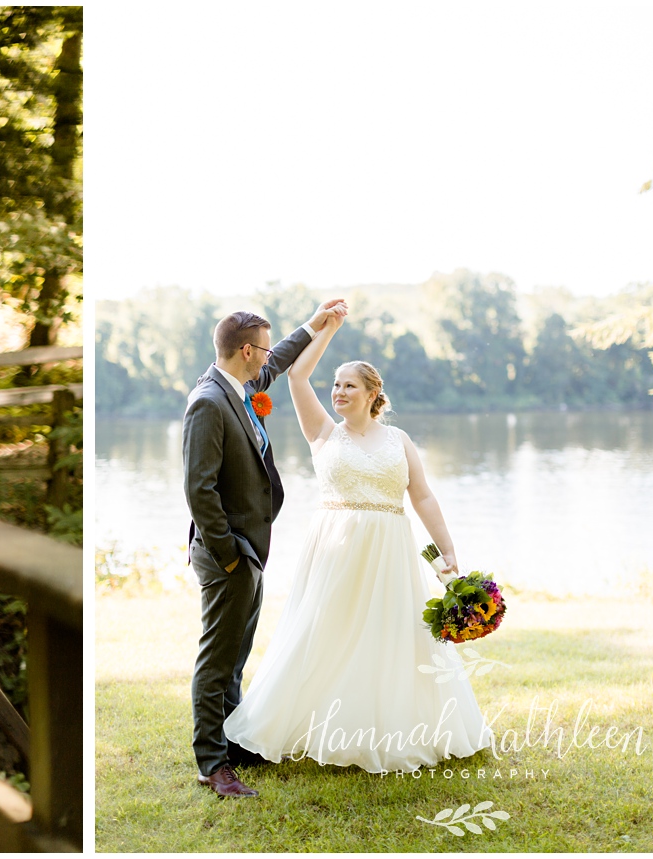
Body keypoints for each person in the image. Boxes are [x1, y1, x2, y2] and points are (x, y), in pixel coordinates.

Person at [223, 308, 491, 774]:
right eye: (336, 384)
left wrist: (446, 550)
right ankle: (304, 725)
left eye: (349, 385)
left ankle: (390, 730)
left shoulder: (400, 441)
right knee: (324, 634)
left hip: (390, 549)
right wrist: (326, 330)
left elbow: (423, 497)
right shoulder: (323, 431)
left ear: (373, 395)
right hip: (335, 549)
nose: (339, 391)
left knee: (392, 636)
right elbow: (297, 377)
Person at [183, 301, 344, 798]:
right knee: (217, 659)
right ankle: (213, 764)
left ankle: (232, 743)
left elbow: (277, 364)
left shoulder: (242, 386)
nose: (269, 358)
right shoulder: (209, 402)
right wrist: (231, 554)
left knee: (235, 656)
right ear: (246, 350)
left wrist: (313, 325)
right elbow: (199, 490)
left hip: (251, 549)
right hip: (229, 554)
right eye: (265, 348)